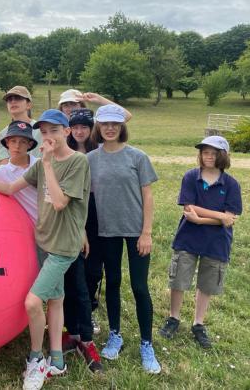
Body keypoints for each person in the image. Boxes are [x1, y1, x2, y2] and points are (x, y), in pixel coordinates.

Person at [0, 109, 90, 390]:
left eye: (54, 131)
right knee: (55, 299)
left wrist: (46, 164)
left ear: (66, 132)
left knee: (33, 302)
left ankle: (35, 360)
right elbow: (9, 188)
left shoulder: (77, 162)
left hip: (63, 246)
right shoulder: (39, 164)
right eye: (44, 132)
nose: (49, 137)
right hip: (42, 240)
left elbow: (58, 202)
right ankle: (57, 359)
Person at [88, 104, 160, 373]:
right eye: (105, 124)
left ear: (121, 127)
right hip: (107, 231)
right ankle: (115, 334)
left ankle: (146, 343)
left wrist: (146, 232)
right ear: (99, 127)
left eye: (114, 124)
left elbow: (148, 196)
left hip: (135, 232)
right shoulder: (91, 160)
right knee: (114, 282)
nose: (109, 128)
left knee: (140, 287)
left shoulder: (137, 157)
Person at [159, 136, 242, 349]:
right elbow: (189, 208)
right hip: (188, 238)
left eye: (214, 153)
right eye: (205, 152)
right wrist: (219, 216)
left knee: (207, 283)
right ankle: (173, 317)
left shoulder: (231, 184)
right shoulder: (191, 177)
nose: (209, 157)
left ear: (223, 156)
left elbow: (230, 219)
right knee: (179, 279)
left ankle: (198, 323)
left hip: (216, 243)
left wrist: (202, 219)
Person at [61, 108, 103, 373]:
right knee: (68, 277)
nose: (79, 131)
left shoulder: (97, 153)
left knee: (89, 275)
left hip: (95, 216)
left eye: (84, 127)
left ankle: (85, 333)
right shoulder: (63, 152)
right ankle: (71, 329)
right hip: (72, 216)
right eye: (75, 126)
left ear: (91, 129)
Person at [0, 86, 42, 164]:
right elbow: (4, 162)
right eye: (9, 99)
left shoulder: (40, 129)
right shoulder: (3, 133)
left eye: (18, 98)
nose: (13, 101)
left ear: (29, 105)